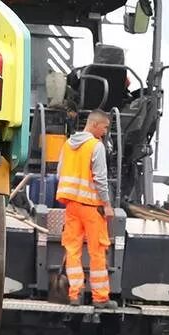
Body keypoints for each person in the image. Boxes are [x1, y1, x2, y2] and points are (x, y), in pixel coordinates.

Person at [55, 111, 113, 306]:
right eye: (104, 127)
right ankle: (100, 298)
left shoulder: (68, 144)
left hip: (72, 206)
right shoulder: (96, 146)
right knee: (97, 251)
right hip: (92, 207)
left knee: (72, 250)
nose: (105, 132)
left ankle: (75, 295)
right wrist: (107, 204)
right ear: (95, 124)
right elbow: (100, 179)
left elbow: (59, 172)